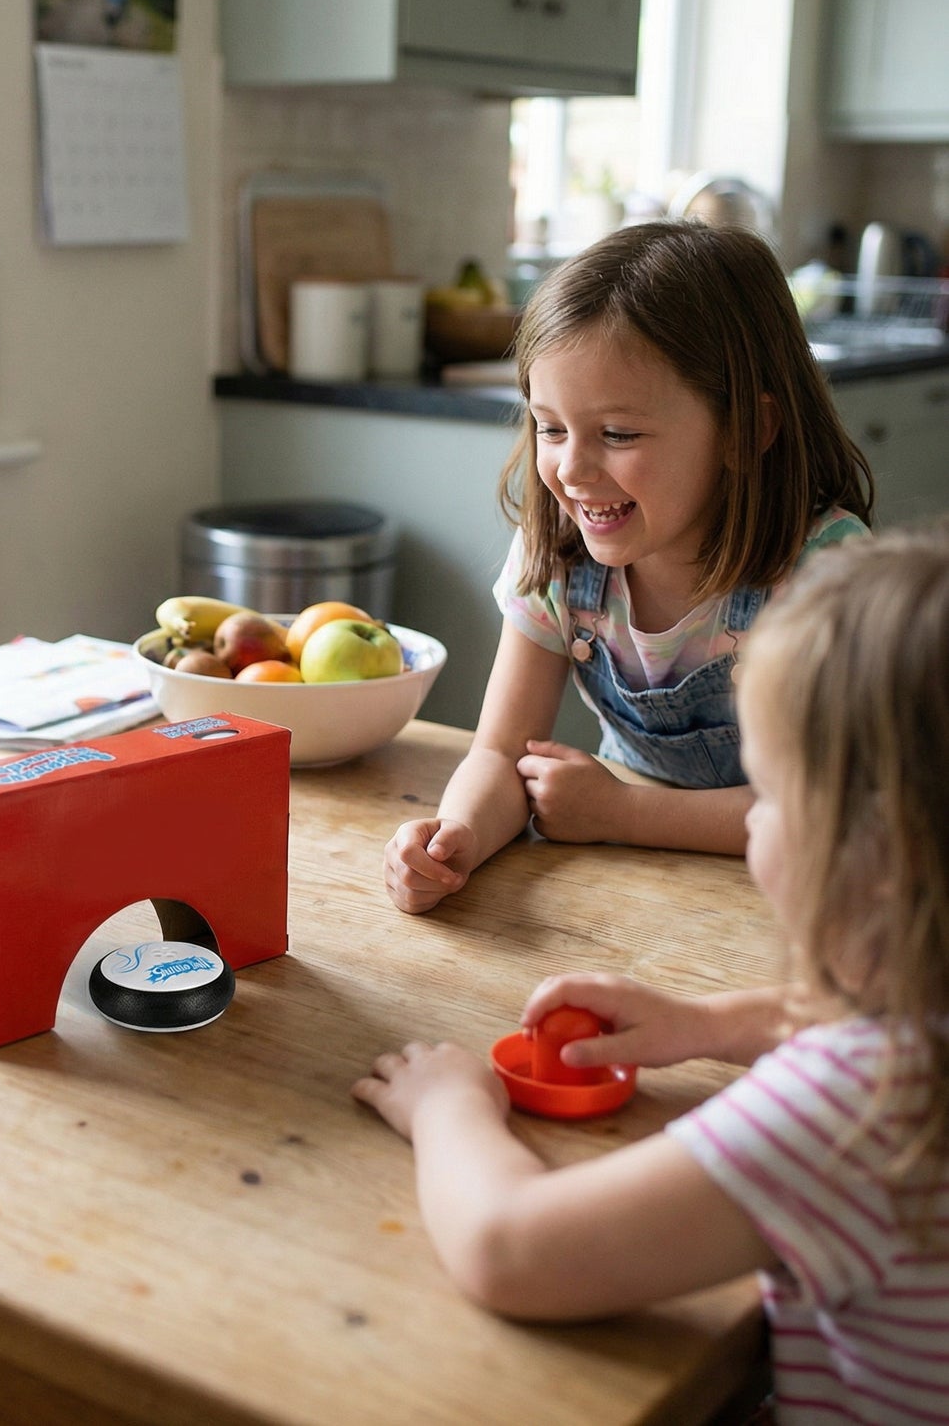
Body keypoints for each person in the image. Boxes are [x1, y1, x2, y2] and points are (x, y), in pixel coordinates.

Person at [355, 525, 949, 1422]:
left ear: (882, 853)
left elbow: (511, 1248)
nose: (752, 821)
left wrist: (446, 1107)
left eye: (769, 795)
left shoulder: (863, 1110)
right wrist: (709, 1025)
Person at [384, 219, 873, 915]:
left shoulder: (826, 576)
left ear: (744, 432)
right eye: (551, 428)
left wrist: (622, 812)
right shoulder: (556, 552)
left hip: (799, 908)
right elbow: (498, 755)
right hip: (637, 894)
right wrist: (453, 838)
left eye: (617, 434)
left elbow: (830, 810)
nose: (571, 470)